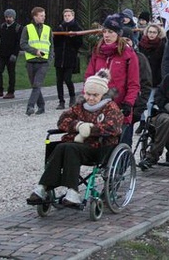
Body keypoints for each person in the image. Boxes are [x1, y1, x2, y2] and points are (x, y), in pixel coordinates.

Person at [26, 69, 123, 207]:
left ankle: (70, 191)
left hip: (99, 147)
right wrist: (78, 125)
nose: (91, 98)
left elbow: (113, 128)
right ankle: (43, 187)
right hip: (77, 144)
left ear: (103, 94)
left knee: (69, 148)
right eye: (88, 94)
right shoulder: (80, 106)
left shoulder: (110, 107)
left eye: (95, 95)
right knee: (61, 146)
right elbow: (62, 120)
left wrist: (90, 129)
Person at [85, 13, 140, 147]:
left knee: (120, 145)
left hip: (119, 107)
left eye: (110, 32)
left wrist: (128, 103)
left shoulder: (128, 54)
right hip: (98, 105)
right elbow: (89, 77)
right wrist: (86, 95)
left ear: (118, 33)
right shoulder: (98, 52)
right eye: (104, 31)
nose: (107, 35)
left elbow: (134, 83)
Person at [138, 71, 169, 170]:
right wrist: (164, 104)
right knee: (166, 120)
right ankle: (157, 153)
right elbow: (158, 95)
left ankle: (153, 155)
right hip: (163, 112)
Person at [20, 7, 53, 116]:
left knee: (37, 84)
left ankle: (30, 106)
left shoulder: (48, 29)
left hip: (43, 62)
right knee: (35, 85)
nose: (44, 17)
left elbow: (51, 45)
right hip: (31, 61)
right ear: (35, 17)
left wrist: (49, 59)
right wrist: (35, 51)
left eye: (44, 15)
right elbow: (23, 44)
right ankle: (42, 106)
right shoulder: (27, 28)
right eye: (41, 15)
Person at [53, 8, 83, 109]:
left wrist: (72, 37)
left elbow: (79, 43)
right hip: (59, 57)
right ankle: (61, 101)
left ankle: (72, 97)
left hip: (70, 57)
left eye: (68, 16)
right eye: (65, 16)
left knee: (68, 79)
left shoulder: (77, 28)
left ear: (73, 16)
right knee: (59, 80)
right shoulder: (60, 27)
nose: (67, 17)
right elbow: (55, 42)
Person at [0, 9, 22, 100]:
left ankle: (11, 92)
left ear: (13, 18)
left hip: (11, 55)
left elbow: (18, 43)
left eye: (10, 17)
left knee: (11, 73)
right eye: (6, 17)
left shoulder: (18, 28)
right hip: (2, 54)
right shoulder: (2, 26)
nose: (8, 19)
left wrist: (15, 54)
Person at [139, 23, 166, 89]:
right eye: (150, 32)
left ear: (158, 34)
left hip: (156, 77)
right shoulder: (141, 44)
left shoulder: (162, 45)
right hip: (142, 76)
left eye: (154, 32)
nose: (151, 34)